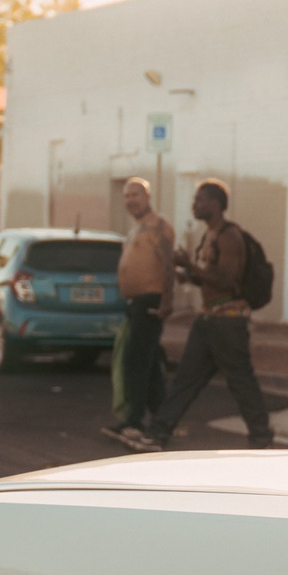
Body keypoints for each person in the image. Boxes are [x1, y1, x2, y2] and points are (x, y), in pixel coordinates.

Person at [121, 180, 275, 452]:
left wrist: (189, 265)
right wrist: (181, 274)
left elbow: (227, 280)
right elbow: (208, 280)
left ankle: (261, 438)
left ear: (215, 205)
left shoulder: (229, 236)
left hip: (228, 322)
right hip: (209, 320)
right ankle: (157, 435)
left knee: (241, 382)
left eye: (199, 201)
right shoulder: (209, 236)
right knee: (185, 380)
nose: (194, 205)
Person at [102, 178, 174, 445]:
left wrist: (167, 300)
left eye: (136, 195)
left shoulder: (159, 226)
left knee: (135, 361)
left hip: (151, 300)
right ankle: (162, 418)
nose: (130, 200)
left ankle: (133, 421)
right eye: (126, 196)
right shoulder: (135, 229)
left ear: (147, 197)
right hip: (135, 303)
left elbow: (168, 265)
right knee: (149, 362)